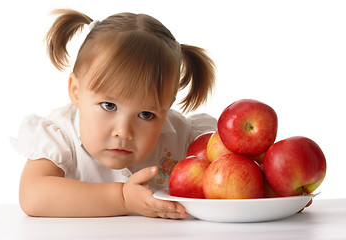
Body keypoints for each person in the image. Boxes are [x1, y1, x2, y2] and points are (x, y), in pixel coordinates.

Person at [12, 9, 216, 219]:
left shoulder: (185, 138)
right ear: (76, 91)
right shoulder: (61, 137)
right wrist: (123, 199)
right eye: (109, 106)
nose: (123, 132)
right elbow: (33, 196)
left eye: (146, 114)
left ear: (167, 107)